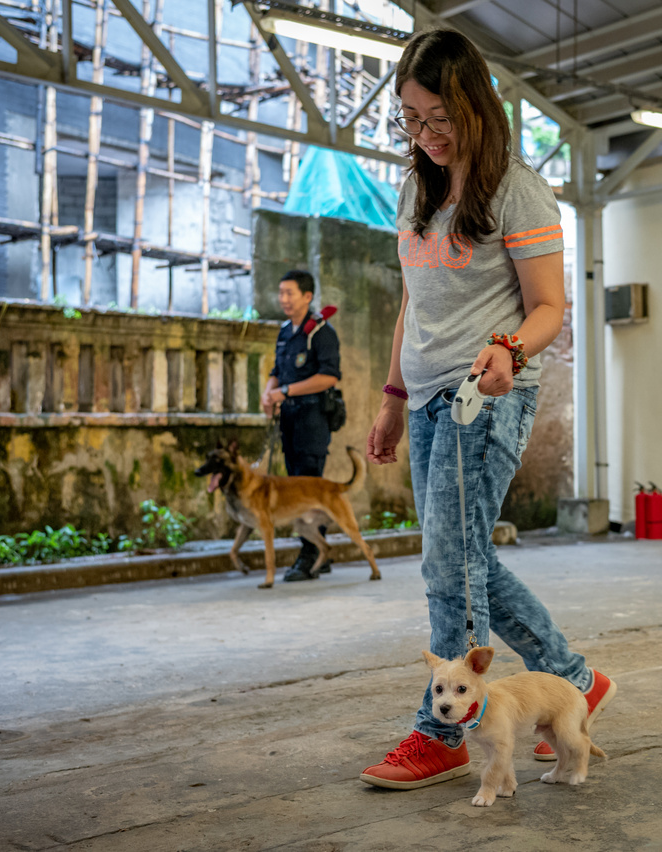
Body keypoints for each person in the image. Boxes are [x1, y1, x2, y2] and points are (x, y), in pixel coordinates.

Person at [358, 28, 616, 790]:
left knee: (450, 565)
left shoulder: (517, 190)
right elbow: (415, 302)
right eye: (411, 118)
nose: (425, 134)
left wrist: (510, 349)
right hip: (426, 399)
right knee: (463, 560)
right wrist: (393, 398)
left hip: (484, 398)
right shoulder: (415, 190)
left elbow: (549, 308)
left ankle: (445, 730)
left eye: (438, 117)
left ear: (474, 105)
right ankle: (575, 679)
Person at [261, 269, 341, 582]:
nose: (283, 299)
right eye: (281, 292)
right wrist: (269, 392)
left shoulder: (321, 331)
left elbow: (329, 377)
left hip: (312, 419)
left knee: (308, 490)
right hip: (289, 420)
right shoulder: (286, 332)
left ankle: (309, 557)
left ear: (307, 296)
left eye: (289, 293)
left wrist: (286, 391)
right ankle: (321, 553)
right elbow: (276, 370)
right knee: (295, 484)